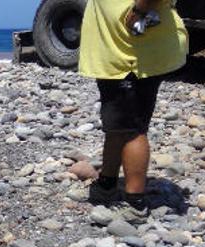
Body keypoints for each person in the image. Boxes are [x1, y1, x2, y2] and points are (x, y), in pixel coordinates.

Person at [79, 0, 188, 223]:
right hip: (118, 55)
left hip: (133, 56)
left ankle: (135, 204)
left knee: (132, 130)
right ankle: (107, 184)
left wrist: (138, 10)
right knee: (116, 124)